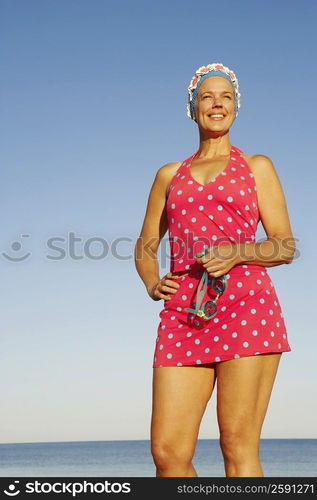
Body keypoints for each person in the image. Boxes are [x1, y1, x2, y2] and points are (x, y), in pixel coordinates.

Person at [134, 62, 296, 477]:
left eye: (226, 96)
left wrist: (238, 252)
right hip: (183, 313)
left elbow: (284, 244)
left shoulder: (257, 167)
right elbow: (146, 243)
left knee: (236, 446)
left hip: (246, 306)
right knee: (168, 453)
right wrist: (154, 282)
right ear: (193, 108)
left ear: (236, 108)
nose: (217, 103)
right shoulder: (169, 175)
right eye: (207, 96)